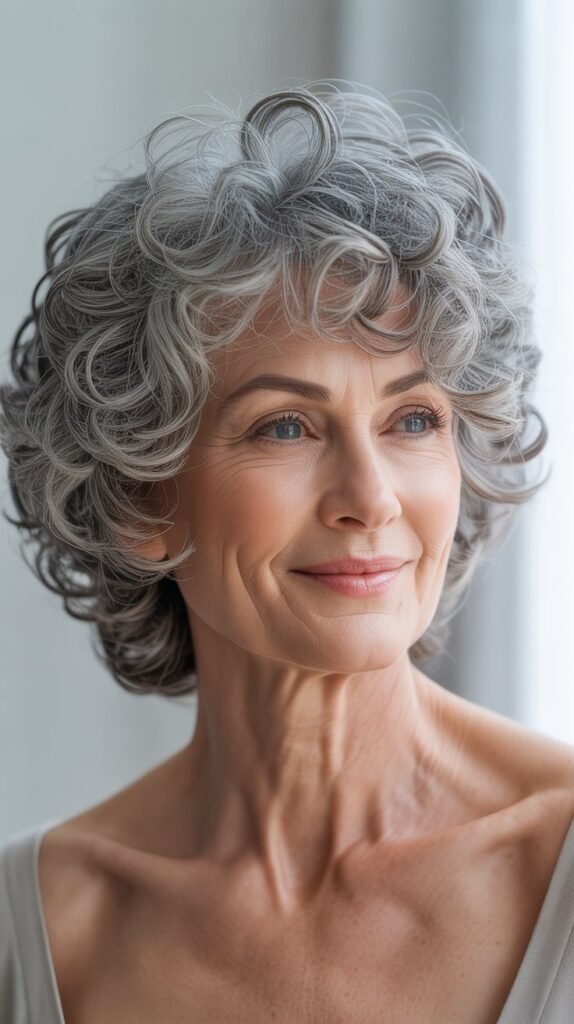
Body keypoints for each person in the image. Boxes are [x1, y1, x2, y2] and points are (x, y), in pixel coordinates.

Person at [0, 83, 573, 1024]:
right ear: (142, 489)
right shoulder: (47, 928)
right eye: (286, 427)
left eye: (414, 419)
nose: (372, 497)